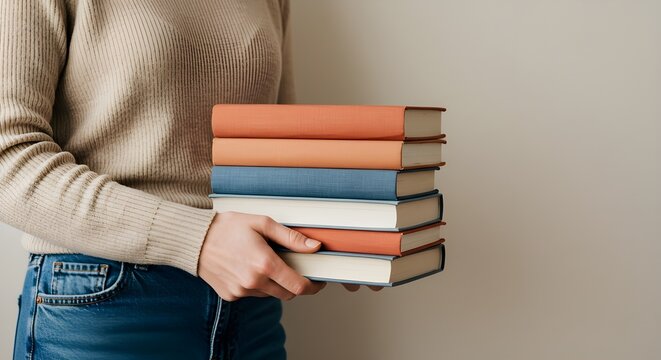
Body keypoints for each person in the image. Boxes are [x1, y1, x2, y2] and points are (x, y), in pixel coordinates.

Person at [1, 1, 379, 359]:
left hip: (251, 309)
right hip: (107, 305)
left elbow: (277, 148)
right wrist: (197, 238)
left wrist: (339, 235)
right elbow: (8, 159)